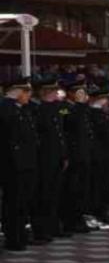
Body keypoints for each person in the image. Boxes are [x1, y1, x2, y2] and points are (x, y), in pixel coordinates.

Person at [0, 78, 38, 251]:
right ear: (17, 91)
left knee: (22, 202)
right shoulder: (6, 107)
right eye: (26, 91)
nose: (29, 96)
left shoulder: (21, 108)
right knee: (13, 203)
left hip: (24, 163)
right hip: (11, 164)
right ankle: (13, 237)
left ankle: (20, 234)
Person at [29, 79, 68, 242]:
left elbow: (67, 115)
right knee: (43, 194)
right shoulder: (38, 109)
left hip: (57, 156)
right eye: (52, 91)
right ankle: (41, 229)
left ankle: (52, 226)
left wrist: (64, 155)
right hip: (45, 157)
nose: (55, 93)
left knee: (55, 194)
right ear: (45, 92)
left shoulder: (58, 108)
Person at [60, 80, 94, 233]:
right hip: (73, 155)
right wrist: (80, 104)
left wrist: (82, 105)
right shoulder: (64, 108)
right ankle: (70, 221)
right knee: (72, 190)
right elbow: (71, 122)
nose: (82, 95)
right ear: (71, 93)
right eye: (78, 92)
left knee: (83, 189)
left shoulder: (80, 108)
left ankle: (79, 218)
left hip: (84, 154)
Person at [87, 86, 109, 223]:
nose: (107, 102)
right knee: (98, 185)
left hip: (107, 155)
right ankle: (98, 211)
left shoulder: (103, 113)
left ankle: (105, 210)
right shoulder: (93, 113)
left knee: (106, 184)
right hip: (98, 156)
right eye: (105, 99)